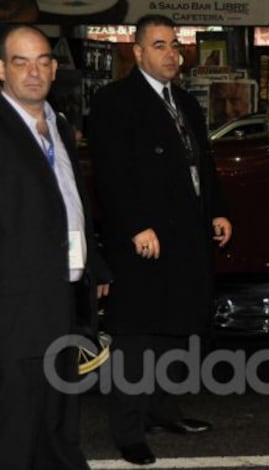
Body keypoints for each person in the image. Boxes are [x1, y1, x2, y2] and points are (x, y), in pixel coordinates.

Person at [88, 14, 232, 466]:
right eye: (160, 45)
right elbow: (110, 174)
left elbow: (202, 164)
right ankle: (129, 431)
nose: (172, 54)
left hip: (185, 236)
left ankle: (162, 411)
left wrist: (218, 211)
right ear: (137, 51)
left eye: (175, 45)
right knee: (136, 336)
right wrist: (135, 225)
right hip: (142, 239)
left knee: (175, 330)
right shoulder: (115, 101)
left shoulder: (186, 102)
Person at [0, 24, 110, 469]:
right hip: (15, 296)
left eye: (43, 60)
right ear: (2, 69)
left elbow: (72, 199)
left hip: (64, 289)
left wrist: (94, 262)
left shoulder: (59, 124)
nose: (34, 72)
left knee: (60, 400)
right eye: (21, 62)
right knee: (18, 412)